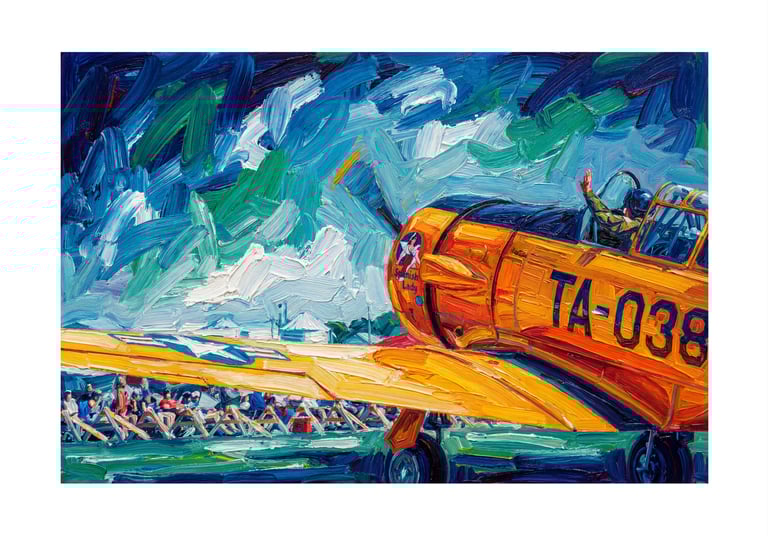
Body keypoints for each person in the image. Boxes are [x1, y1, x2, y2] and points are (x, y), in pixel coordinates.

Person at [581, 168, 653, 251]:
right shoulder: (648, 224)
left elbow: (606, 218)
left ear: (632, 209)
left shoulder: (634, 224)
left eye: (626, 205)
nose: (624, 208)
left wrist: (588, 193)